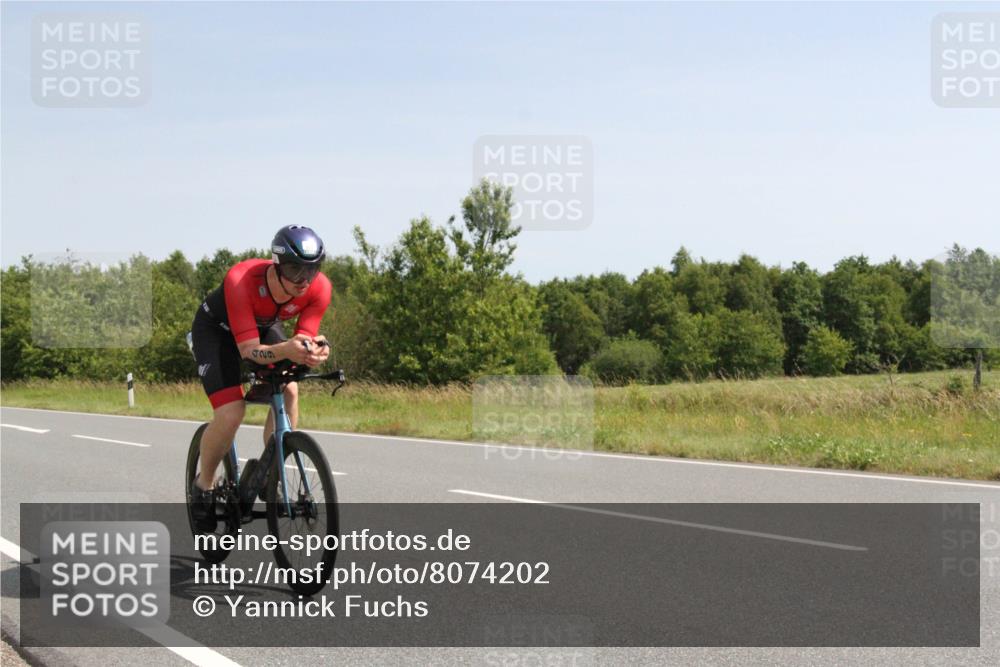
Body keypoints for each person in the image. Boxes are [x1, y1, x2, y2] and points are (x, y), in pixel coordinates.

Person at [188, 225, 331, 530]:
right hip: (217, 333)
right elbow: (249, 351)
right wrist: (286, 349)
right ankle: (204, 487)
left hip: (262, 327)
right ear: (277, 265)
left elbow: (302, 339)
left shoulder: (320, 288)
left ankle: (271, 474)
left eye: (312, 270)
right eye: (294, 270)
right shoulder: (242, 279)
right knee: (231, 412)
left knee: (290, 389)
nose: (303, 280)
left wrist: (312, 351)